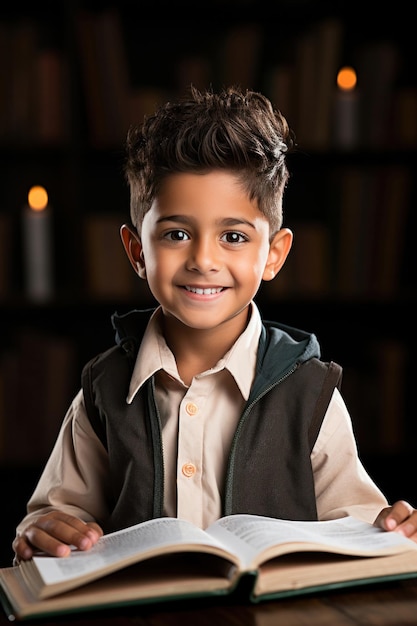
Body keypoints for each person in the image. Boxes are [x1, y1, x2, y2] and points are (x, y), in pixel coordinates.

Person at [12, 85, 417, 563]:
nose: (204, 260)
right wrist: (43, 531)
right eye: (177, 234)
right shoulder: (102, 392)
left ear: (274, 254)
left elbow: (359, 532)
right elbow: (52, 522)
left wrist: (394, 533)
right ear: (136, 252)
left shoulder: (312, 394)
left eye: (233, 236)